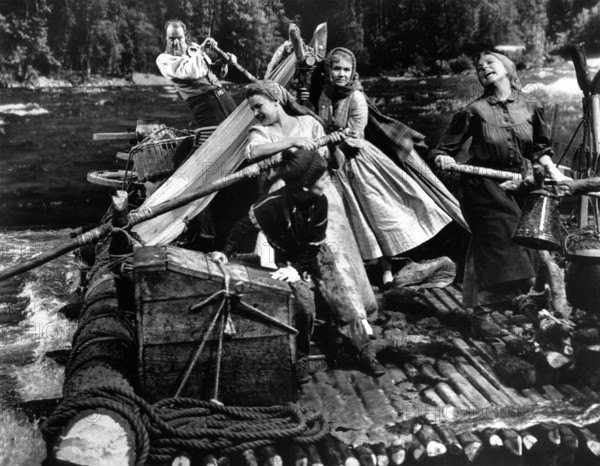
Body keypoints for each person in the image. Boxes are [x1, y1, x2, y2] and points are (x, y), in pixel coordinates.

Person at [218, 149, 386, 382]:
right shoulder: (269, 204)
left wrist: (298, 269)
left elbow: (313, 244)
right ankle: (301, 357)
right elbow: (241, 227)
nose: (325, 182)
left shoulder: (321, 202)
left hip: (317, 256)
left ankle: (364, 352)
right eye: (321, 179)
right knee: (304, 306)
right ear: (305, 186)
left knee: (341, 302)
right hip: (287, 261)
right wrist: (225, 253)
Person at [430, 51, 567, 334]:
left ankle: (509, 309)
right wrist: (442, 158)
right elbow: (443, 149)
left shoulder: (530, 103)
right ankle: (505, 308)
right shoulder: (473, 111)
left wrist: (552, 171)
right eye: (479, 68)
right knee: (507, 240)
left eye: (489, 63)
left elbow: (541, 148)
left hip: (524, 183)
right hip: (484, 188)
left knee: (530, 245)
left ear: (507, 69)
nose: (483, 68)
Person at [243, 80, 379, 332]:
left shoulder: (310, 123)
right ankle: (301, 314)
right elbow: (252, 153)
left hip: (320, 193)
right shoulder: (260, 132)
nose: (256, 113)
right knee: (289, 256)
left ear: (276, 101)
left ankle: (355, 315)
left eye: (259, 106)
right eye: (252, 109)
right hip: (285, 199)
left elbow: (335, 165)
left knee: (334, 243)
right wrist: (292, 142)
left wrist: (334, 144)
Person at [316, 47, 453, 287]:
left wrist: (336, 144)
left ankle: (387, 270)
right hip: (332, 156)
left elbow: (356, 133)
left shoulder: (356, 97)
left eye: (346, 69)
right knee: (344, 215)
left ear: (353, 72)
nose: (341, 74)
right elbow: (322, 125)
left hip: (357, 158)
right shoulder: (326, 95)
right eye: (336, 69)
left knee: (377, 211)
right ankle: (352, 268)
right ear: (329, 71)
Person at [156, 19, 237, 127]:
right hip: (205, 108)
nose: (176, 43)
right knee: (220, 141)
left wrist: (223, 63)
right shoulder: (164, 59)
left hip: (225, 98)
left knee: (242, 132)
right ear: (165, 38)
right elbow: (191, 72)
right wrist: (202, 49)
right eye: (171, 38)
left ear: (185, 37)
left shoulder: (194, 48)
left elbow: (214, 74)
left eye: (179, 38)